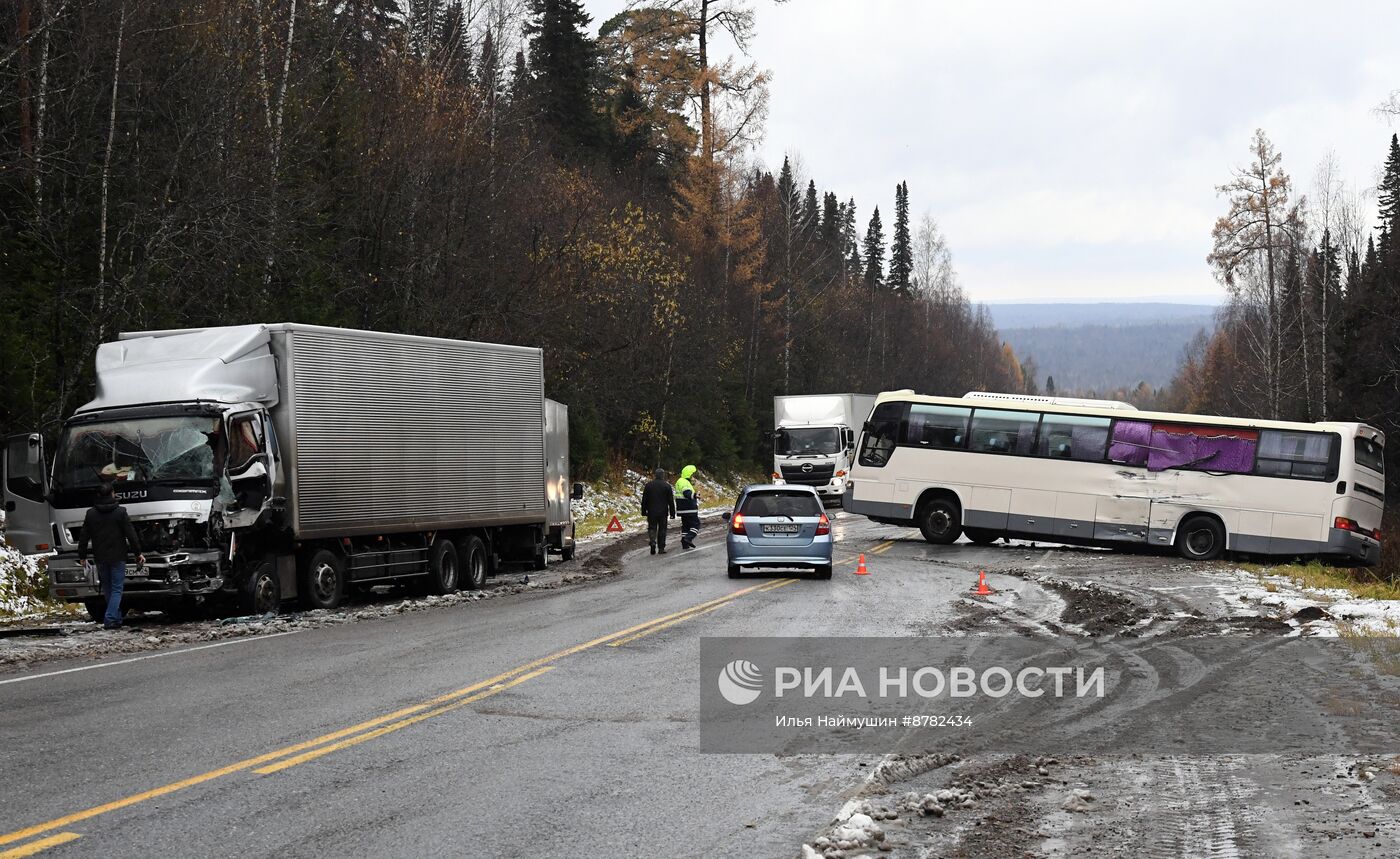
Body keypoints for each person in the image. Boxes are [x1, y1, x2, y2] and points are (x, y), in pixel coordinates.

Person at [77, 481, 145, 630]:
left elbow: (83, 537)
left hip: (100, 557)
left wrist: (82, 556)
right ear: (112, 494)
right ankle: (109, 619)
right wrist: (137, 553)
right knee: (116, 589)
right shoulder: (120, 512)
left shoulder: (91, 513)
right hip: (118, 556)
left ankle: (116, 618)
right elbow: (131, 534)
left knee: (108, 588)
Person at [639, 468, 676, 555]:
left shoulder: (649, 485)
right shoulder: (667, 486)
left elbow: (644, 500)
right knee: (662, 530)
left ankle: (652, 541)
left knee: (652, 527)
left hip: (651, 511)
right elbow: (670, 501)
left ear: (655, 475)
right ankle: (661, 548)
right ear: (663, 475)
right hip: (663, 512)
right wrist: (672, 513)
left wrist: (643, 511)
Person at [674, 464, 701, 550]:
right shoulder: (684, 482)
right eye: (692, 474)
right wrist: (695, 495)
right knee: (696, 525)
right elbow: (686, 492)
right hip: (689, 508)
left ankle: (684, 543)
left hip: (682, 510)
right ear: (689, 474)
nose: (693, 477)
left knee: (685, 526)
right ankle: (688, 538)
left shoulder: (680, 481)